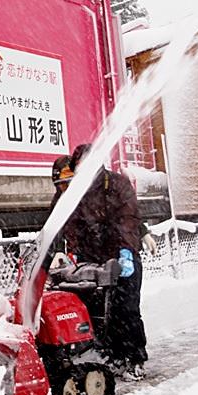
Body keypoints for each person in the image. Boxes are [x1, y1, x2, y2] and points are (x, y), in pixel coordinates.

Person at [62, 143, 148, 381]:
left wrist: (126, 251)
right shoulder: (75, 191)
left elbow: (128, 219)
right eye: (79, 165)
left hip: (122, 257)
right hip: (93, 263)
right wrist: (71, 252)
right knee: (99, 313)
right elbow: (68, 224)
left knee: (126, 310)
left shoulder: (117, 185)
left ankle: (135, 358)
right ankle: (112, 356)